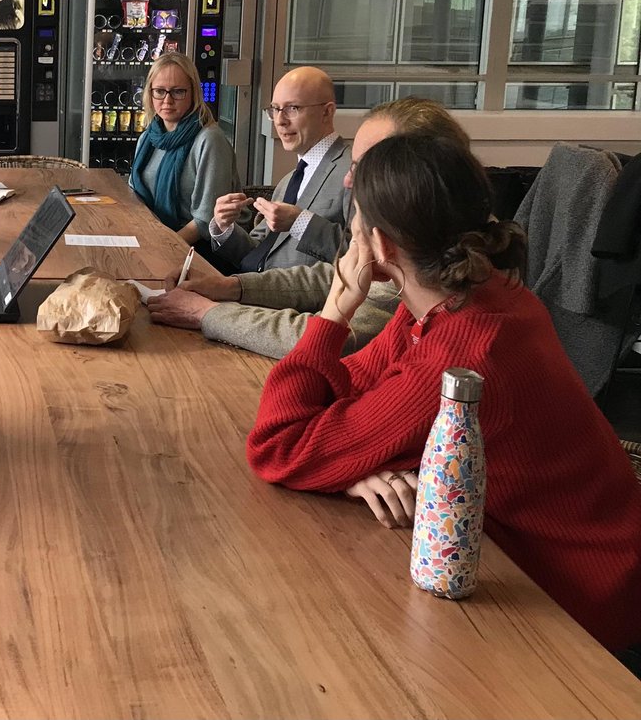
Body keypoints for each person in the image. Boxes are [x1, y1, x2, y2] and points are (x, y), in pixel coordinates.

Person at [247, 133, 641, 654]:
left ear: (381, 246)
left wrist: (335, 311)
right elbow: (350, 392)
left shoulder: (458, 357)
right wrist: (352, 466)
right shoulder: (472, 297)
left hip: (580, 613)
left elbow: (277, 445)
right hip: (591, 557)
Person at [148, 97, 470, 359]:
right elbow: (333, 273)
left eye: (293, 107)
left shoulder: (428, 282)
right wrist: (228, 287)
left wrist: (207, 313)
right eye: (275, 109)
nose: (348, 179)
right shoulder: (290, 179)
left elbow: (326, 339)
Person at [210, 66, 349, 273]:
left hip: (298, 303)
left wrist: (300, 222)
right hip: (253, 290)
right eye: (275, 109)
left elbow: (367, 259)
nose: (280, 121)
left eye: (293, 108)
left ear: (327, 112)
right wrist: (223, 227)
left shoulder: (355, 172)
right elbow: (257, 255)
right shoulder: (287, 182)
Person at [129, 51, 237, 246]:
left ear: (193, 92)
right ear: (150, 93)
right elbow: (134, 194)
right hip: (153, 238)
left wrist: (164, 247)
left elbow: (206, 221)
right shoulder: (147, 137)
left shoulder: (209, 140)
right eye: (160, 91)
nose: (167, 101)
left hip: (196, 249)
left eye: (178, 91)